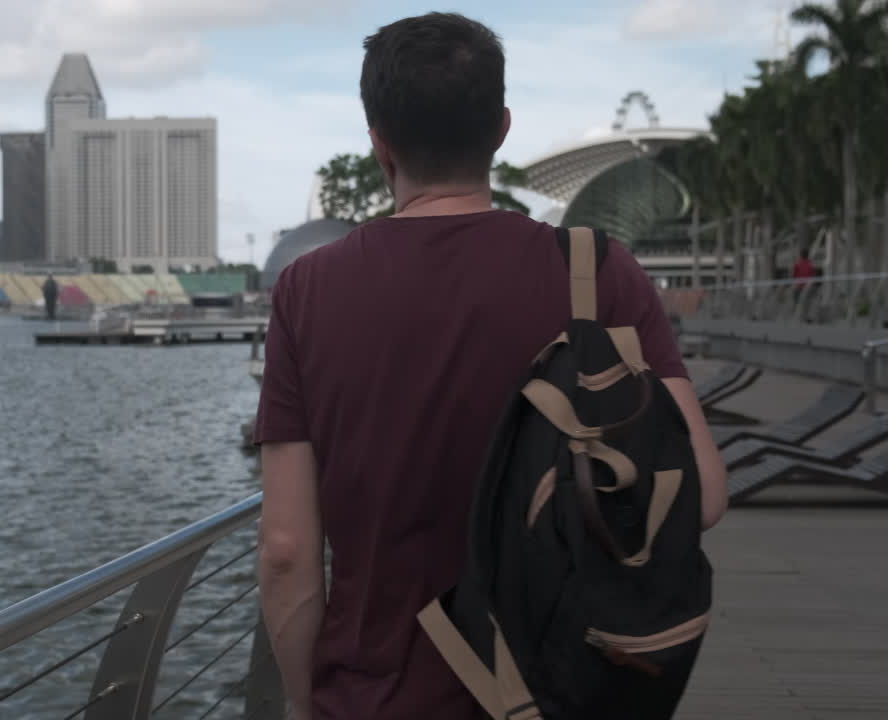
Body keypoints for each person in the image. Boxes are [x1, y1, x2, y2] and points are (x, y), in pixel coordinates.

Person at [253, 13, 728, 720]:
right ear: (501, 129)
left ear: (379, 141)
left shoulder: (308, 289)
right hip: (563, 691)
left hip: (372, 697)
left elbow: (288, 550)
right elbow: (705, 493)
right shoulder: (597, 273)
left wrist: (304, 700)